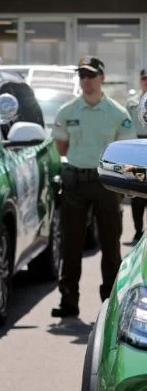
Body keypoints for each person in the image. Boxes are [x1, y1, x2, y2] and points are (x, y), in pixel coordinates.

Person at [50, 56, 136, 318]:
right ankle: (68, 301)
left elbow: (125, 152)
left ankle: (110, 302)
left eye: (91, 75)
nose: (86, 80)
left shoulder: (117, 114)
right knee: (71, 244)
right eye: (82, 76)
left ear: (102, 78)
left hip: (106, 183)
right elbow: (62, 147)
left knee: (110, 245)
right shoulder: (68, 111)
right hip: (75, 182)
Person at [124, 69, 147, 245]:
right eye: (144, 79)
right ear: (140, 80)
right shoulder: (132, 102)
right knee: (137, 194)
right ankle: (138, 231)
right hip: (137, 149)